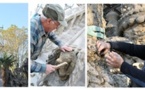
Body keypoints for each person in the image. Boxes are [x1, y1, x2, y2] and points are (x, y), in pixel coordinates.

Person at [31, 4, 72, 75]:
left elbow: (50, 34)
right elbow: (26, 63)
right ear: (49, 21)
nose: (56, 28)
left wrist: (61, 44)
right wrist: (44, 68)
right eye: (57, 25)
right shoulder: (32, 32)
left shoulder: (43, 24)